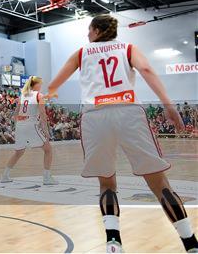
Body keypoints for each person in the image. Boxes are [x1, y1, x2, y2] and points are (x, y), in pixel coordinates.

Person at [47, 14, 197, 253]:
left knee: (107, 183)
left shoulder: (81, 52)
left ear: (97, 30)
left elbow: (54, 84)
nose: (87, 34)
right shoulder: (128, 48)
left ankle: (113, 243)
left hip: (95, 116)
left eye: (89, 30)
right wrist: (169, 105)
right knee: (159, 184)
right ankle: (191, 244)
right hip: (129, 113)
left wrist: (51, 93)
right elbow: (146, 69)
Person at [0, 76, 58, 185]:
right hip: (31, 125)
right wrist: (46, 131)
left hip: (20, 125)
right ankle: (46, 178)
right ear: (35, 85)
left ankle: (5, 176)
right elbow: (42, 114)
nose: (41, 86)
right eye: (40, 84)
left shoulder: (23, 96)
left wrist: (18, 126)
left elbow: (15, 114)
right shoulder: (38, 95)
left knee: (19, 152)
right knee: (48, 150)